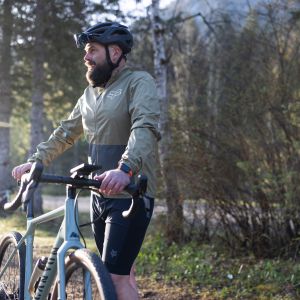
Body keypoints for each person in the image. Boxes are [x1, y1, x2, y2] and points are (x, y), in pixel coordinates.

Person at [12, 22, 160, 300]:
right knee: (120, 274)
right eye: (86, 50)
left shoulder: (138, 82)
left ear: (115, 53)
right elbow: (65, 133)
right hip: (98, 195)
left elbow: (145, 128)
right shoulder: (89, 95)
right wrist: (36, 160)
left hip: (129, 195)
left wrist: (125, 169)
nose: (86, 56)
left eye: (92, 50)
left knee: (114, 280)